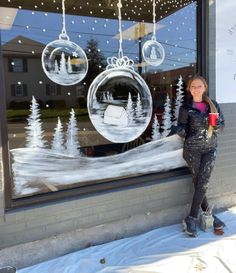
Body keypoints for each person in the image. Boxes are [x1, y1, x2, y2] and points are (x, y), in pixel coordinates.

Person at [177, 75, 225, 237]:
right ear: (189, 89)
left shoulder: (213, 105)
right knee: (200, 182)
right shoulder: (186, 107)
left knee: (201, 182)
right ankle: (205, 214)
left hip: (210, 149)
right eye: (193, 87)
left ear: (205, 88)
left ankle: (191, 217)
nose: (196, 89)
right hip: (192, 150)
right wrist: (181, 131)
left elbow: (221, 126)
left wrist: (217, 125)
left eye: (199, 86)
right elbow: (182, 128)